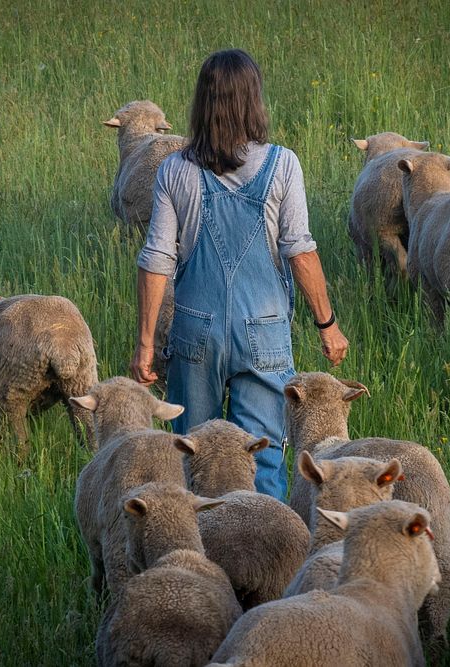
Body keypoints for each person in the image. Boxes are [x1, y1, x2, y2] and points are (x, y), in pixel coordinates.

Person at [131, 49, 348, 501]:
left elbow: (156, 259)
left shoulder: (175, 169)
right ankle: (268, 560)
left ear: (201, 103)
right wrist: (327, 325)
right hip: (265, 332)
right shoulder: (283, 164)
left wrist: (146, 344)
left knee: (194, 455)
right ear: (254, 101)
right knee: (264, 457)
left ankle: (198, 565)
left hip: (195, 332)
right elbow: (301, 251)